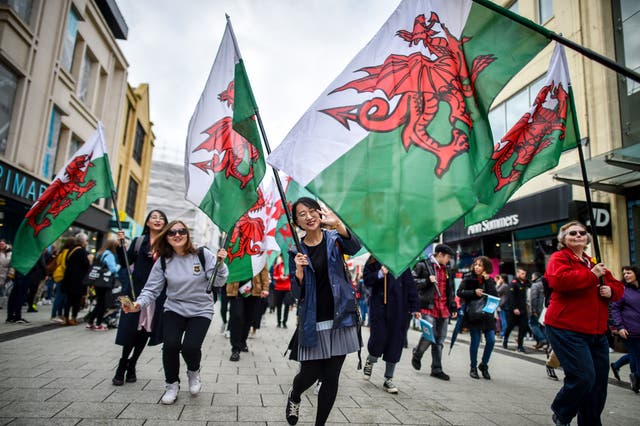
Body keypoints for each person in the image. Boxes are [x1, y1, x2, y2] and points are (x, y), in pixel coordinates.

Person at [121, 220, 228, 405]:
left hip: (201, 309)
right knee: (170, 346)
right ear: (167, 238)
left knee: (190, 347)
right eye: (172, 233)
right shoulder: (163, 260)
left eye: (181, 231)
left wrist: (221, 265)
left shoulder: (203, 254)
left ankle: (193, 372)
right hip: (174, 308)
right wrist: (138, 304)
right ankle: (172, 384)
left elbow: (218, 282)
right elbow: (151, 289)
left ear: (187, 235)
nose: (177, 235)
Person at [285, 197, 361, 426]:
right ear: (296, 221)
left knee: (331, 376)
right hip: (313, 320)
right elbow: (297, 294)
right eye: (301, 214)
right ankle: (294, 395)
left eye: (311, 211)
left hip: (341, 316)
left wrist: (338, 224)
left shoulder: (335, 239)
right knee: (309, 374)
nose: (308, 217)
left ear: (319, 213)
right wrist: (299, 272)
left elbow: (354, 247)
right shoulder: (295, 250)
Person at [544, 220, 624, 426]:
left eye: (582, 233)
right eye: (572, 233)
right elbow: (558, 281)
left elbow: (616, 286)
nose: (578, 235)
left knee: (598, 385)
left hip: (597, 331)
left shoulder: (593, 261)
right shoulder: (559, 258)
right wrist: (591, 276)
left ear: (587, 238)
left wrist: (611, 291)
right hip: (566, 328)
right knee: (583, 377)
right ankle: (561, 412)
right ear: (563, 239)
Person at [113, 210, 168, 386]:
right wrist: (120, 245)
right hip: (135, 293)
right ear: (148, 222)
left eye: (161, 218)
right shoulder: (138, 242)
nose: (158, 220)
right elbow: (124, 263)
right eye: (154, 217)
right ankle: (122, 364)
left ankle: (133, 364)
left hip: (156, 296)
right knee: (130, 329)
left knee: (145, 331)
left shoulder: (168, 244)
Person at [362, 256, 419, 393]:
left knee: (395, 343)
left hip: (399, 310)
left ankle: (388, 378)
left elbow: (410, 286)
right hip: (380, 309)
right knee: (378, 340)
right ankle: (371, 359)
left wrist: (415, 307)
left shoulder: (403, 263)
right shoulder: (374, 259)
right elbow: (367, 280)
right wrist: (380, 273)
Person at [410, 244, 457, 381]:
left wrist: (453, 306)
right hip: (428, 306)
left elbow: (450, 290)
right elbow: (412, 283)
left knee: (440, 339)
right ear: (440, 254)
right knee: (429, 335)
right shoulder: (423, 265)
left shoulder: (447, 269)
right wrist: (426, 281)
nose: (448, 260)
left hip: (443, 308)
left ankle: (437, 368)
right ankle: (417, 354)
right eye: (447, 257)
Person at [457, 256, 498, 380]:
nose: (477, 267)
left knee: (491, 340)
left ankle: (484, 365)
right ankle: (473, 367)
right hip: (474, 314)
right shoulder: (468, 278)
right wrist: (474, 292)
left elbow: (494, 296)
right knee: (475, 341)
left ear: (485, 267)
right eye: (475, 264)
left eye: (480, 265)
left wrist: (488, 281)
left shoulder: (490, 280)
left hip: (487, 314)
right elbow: (459, 292)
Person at [227, 265, 270, 361]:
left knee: (249, 318)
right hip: (236, 289)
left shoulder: (258, 250)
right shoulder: (235, 250)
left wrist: (265, 288)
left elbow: (264, 269)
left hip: (254, 291)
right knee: (237, 317)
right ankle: (235, 349)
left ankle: (243, 341)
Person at [610, 265, 640, 393]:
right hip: (630, 330)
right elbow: (614, 309)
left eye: (629, 273)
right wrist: (619, 327)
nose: (626, 275)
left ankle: (635, 377)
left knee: (636, 355)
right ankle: (636, 378)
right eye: (624, 273)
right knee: (637, 355)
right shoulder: (622, 290)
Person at [85, 239, 121, 331]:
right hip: (105, 282)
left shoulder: (99, 253)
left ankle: (90, 322)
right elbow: (113, 269)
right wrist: (119, 266)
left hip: (97, 281)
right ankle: (98, 324)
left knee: (99, 302)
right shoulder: (109, 255)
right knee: (103, 303)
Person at [61, 233, 91, 325]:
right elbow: (86, 265)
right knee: (76, 301)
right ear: (83, 242)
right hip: (78, 280)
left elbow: (66, 262)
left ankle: (66, 317)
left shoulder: (71, 249)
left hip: (68, 278)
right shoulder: (82, 251)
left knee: (68, 300)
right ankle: (73, 318)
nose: (86, 243)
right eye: (86, 241)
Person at [502, 267, 530, 353]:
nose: (524, 275)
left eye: (524, 274)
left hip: (523, 310)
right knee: (510, 327)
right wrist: (514, 308)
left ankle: (520, 346)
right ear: (517, 274)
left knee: (523, 328)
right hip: (514, 310)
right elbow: (511, 297)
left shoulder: (525, 283)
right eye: (522, 273)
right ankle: (505, 339)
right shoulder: (513, 283)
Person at [529, 272, 549, 350]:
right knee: (543, 326)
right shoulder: (544, 284)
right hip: (544, 308)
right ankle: (546, 342)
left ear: (535, 277)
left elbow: (533, 298)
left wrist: (533, 310)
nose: (531, 278)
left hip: (537, 309)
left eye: (532, 277)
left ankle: (542, 339)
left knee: (532, 324)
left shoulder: (535, 285)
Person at [273, 255, 292, 328]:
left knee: (287, 305)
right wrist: (280, 277)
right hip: (279, 288)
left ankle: (284, 322)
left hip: (287, 288)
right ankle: (278, 321)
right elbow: (274, 276)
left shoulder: (290, 265)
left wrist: (287, 277)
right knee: (279, 306)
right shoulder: (278, 266)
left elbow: (293, 276)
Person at [0, 239, 12, 310]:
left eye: (2, 244)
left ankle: (1, 304)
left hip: (4, 274)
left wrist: (1, 253)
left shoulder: (9, 252)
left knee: (2, 291)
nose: (1, 246)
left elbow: (6, 262)